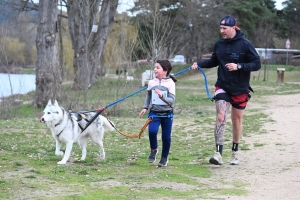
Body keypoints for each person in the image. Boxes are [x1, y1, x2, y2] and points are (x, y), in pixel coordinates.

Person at [191, 15, 261, 165]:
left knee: (236, 120)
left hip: (240, 88)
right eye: (220, 28)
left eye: (224, 28)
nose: (221, 31)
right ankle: (218, 154)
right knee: (220, 116)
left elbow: (256, 64)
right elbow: (214, 61)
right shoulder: (219, 44)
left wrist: (239, 66)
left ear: (233, 28)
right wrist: (200, 64)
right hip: (222, 86)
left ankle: (235, 152)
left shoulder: (245, 44)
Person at [139, 59, 177, 167]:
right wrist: (145, 108)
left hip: (167, 114)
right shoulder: (151, 82)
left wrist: (162, 96)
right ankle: (154, 149)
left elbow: (171, 101)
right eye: (155, 67)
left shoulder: (170, 83)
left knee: (166, 137)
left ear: (165, 70)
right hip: (154, 113)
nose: (155, 69)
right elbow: (149, 96)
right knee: (152, 132)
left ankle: (164, 157)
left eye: (157, 67)